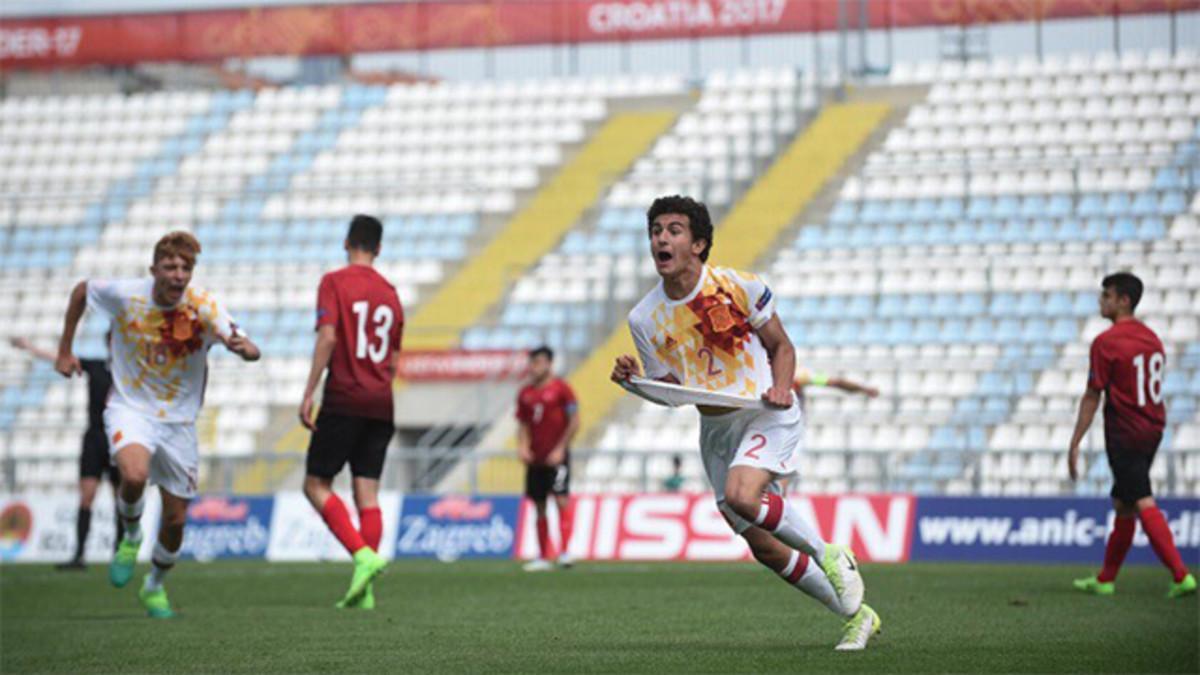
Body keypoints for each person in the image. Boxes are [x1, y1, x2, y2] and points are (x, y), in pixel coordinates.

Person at [611, 195, 878, 651]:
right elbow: (672, 392)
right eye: (655, 230)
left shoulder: (739, 287)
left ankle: (829, 552)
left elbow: (783, 346)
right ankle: (857, 616)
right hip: (715, 433)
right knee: (765, 547)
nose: (661, 237)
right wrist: (634, 381)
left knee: (742, 494)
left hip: (765, 413)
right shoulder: (643, 318)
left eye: (674, 229)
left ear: (698, 244)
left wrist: (780, 386)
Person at [54, 231, 260, 618]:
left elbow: (246, 343)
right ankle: (131, 537)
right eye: (170, 266)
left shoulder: (204, 305)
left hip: (179, 423)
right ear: (154, 269)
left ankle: (154, 587)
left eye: (185, 268)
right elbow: (81, 291)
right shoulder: (126, 294)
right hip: (131, 408)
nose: (178, 274)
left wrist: (246, 350)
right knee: (133, 475)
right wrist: (65, 350)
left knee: (176, 519)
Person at [1069, 272, 1195, 598]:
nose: (1102, 301)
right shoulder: (1152, 338)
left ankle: (1181, 575)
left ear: (1124, 300)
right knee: (1123, 502)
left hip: (1125, 430)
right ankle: (1106, 579)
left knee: (1140, 498)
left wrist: (1075, 442)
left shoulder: (1106, 342)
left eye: (1107, 295)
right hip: (1152, 427)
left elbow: (1093, 395)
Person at [299, 214, 402, 609]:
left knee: (315, 484)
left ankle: (362, 555)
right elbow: (392, 360)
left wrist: (309, 392)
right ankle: (366, 591)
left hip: (344, 396)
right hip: (381, 402)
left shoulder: (334, 282)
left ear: (347, 243)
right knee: (367, 494)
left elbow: (328, 336)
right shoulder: (390, 294)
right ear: (378, 248)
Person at [10, 336, 124, 569]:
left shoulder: (131, 373)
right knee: (86, 497)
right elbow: (62, 359)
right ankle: (78, 555)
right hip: (94, 438)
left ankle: (120, 555)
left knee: (120, 499)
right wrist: (31, 347)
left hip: (119, 439)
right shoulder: (95, 365)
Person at [515, 346, 579, 571]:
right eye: (532, 363)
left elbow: (574, 421)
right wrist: (523, 447)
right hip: (536, 457)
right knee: (539, 504)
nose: (534, 367)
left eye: (539, 363)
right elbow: (522, 424)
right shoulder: (525, 393)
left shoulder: (562, 389)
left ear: (550, 364)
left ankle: (565, 552)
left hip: (557, 457)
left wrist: (561, 448)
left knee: (561, 499)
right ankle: (543, 556)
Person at [792, 368, 879, 413]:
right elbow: (836, 382)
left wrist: (863, 389)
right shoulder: (798, 374)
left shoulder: (799, 375)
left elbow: (836, 382)